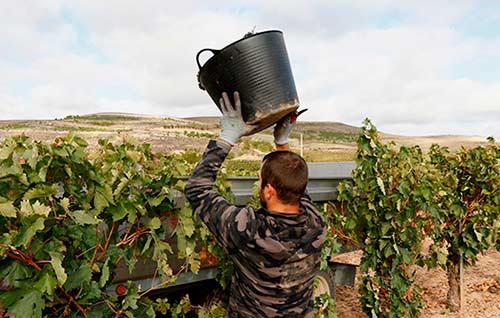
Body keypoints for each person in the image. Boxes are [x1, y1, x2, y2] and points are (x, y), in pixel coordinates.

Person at [184, 91, 326, 318]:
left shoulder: (249, 229)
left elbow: (196, 189)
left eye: (259, 179)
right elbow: (295, 185)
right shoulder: (316, 222)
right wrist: (282, 143)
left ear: (269, 191)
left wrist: (227, 138)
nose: (257, 182)